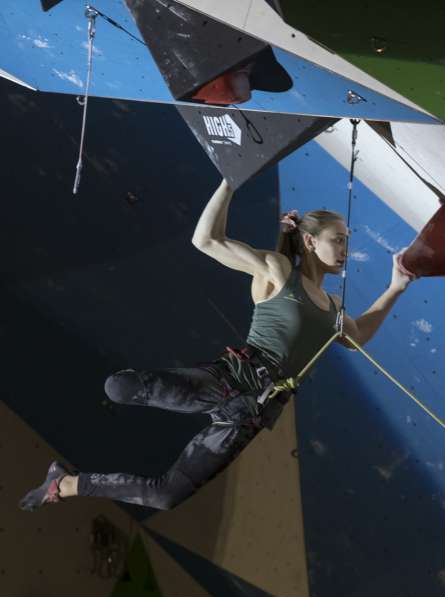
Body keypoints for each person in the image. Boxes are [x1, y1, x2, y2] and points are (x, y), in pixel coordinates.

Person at [20, 178, 413, 511]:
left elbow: (357, 336)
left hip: (248, 415)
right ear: (309, 241)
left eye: (346, 241)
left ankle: (64, 484)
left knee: (166, 497)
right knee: (118, 387)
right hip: (229, 380)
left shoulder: (335, 308)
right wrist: (231, 180)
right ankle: (117, 404)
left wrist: (395, 287)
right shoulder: (278, 271)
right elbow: (206, 240)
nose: (345, 250)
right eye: (338, 240)